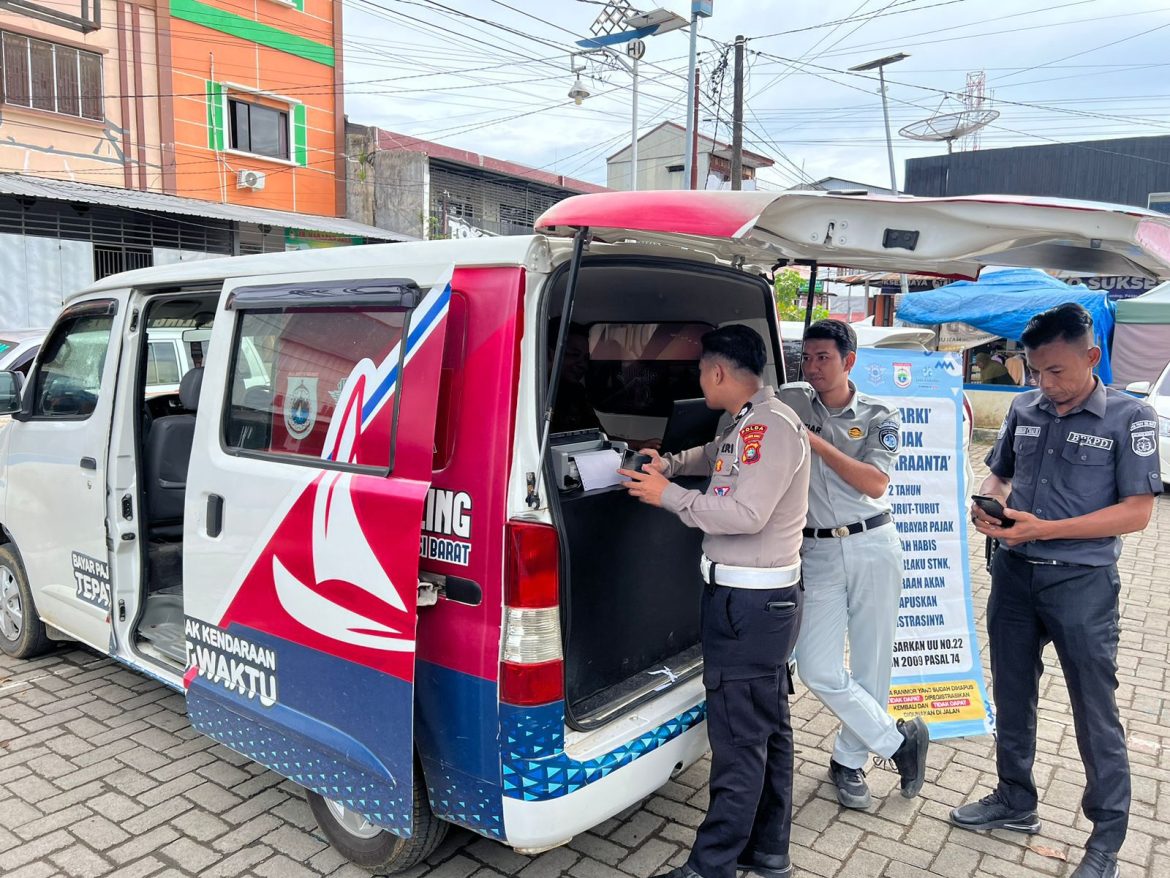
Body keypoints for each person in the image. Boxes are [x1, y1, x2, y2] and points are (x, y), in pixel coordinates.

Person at [953, 303, 1161, 878]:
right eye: (1035, 371)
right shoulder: (1025, 408)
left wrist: (1046, 528)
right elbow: (1001, 471)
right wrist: (986, 501)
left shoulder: (1130, 417)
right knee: (1013, 696)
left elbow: (1137, 513)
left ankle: (1105, 841)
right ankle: (1015, 801)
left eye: (1057, 372)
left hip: (1082, 585)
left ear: (1092, 357)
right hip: (1015, 579)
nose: (1045, 384)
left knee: (1096, 714)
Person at [621, 324, 810, 878]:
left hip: (749, 608)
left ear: (719, 372)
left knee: (738, 740)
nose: (700, 379)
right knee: (767, 728)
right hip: (755, 604)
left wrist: (667, 496)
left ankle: (713, 866)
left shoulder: (769, 428)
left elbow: (744, 514)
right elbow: (718, 457)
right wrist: (672, 466)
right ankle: (769, 852)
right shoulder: (747, 422)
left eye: (701, 370)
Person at [778, 319, 930, 811]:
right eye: (808, 357)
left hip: (873, 544)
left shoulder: (881, 414)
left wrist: (815, 441)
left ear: (849, 361)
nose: (813, 366)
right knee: (818, 667)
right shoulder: (794, 405)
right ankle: (898, 741)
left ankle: (849, 762)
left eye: (824, 357)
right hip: (816, 550)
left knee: (871, 663)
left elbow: (874, 482)